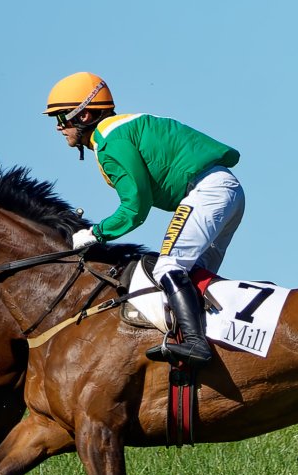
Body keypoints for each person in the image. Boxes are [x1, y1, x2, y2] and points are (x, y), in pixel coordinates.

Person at [43, 72, 244, 366]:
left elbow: (135, 208)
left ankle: (196, 345)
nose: (59, 128)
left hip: (207, 192)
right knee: (192, 278)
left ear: (83, 114)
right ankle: (217, 345)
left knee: (168, 267)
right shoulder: (121, 128)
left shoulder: (110, 142)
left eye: (61, 119)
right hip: (222, 191)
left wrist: (95, 233)